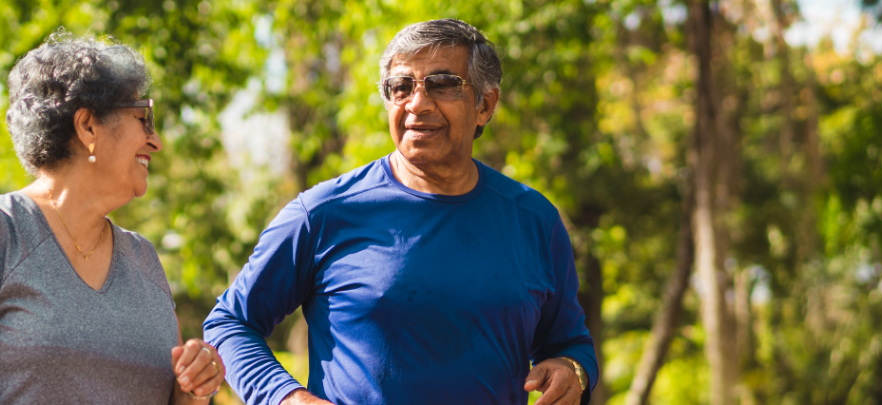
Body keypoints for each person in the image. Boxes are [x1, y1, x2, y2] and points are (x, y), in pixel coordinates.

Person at [203, 19, 598, 405]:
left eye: (443, 85)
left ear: (485, 104)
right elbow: (229, 324)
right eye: (401, 87)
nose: (418, 103)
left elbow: (570, 343)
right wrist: (286, 397)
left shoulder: (534, 220)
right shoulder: (322, 213)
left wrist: (571, 369)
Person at [0, 32, 224, 404]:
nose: (155, 141)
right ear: (88, 126)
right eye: (144, 118)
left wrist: (193, 387)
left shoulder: (145, 260)